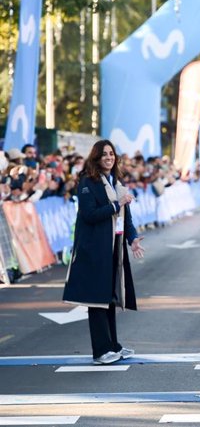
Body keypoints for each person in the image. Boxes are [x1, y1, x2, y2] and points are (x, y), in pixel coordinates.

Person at [63, 140, 145, 365]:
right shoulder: (87, 182)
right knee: (97, 300)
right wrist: (116, 205)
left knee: (109, 297)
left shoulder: (116, 181)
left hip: (114, 248)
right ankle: (100, 351)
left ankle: (113, 346)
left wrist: (133, 239)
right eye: (105, 154)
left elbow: (125, 217)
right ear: (96, 158)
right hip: (94, 249)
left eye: (112, 154)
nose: (109, 157)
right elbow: (89, 214)